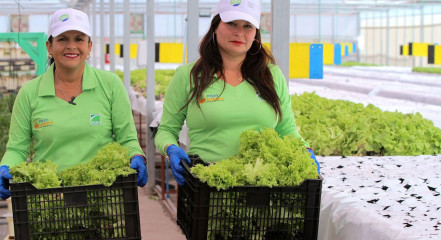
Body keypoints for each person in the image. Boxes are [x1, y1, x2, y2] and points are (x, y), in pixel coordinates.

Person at [154, 0, 320, 186]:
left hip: (261, 186)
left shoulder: (271, 76)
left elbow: (287, 130)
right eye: (231, 23)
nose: (239, 32)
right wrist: (171, 148)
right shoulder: (188, 76)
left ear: (255, 34)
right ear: (215, 27)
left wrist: (305, 149)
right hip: (205, 183)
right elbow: (166, 130)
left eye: (247, 26)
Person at [0, 8, 147, 200]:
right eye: (62, 39)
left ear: (89, 46)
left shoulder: (110, 85)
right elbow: (17, 149)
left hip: (103, 196)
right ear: (49, 46)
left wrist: (136, 155)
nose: (71, 46)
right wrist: (6, 167)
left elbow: (127, 138)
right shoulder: (29, 93)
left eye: (79, 39)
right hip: (48, 198)